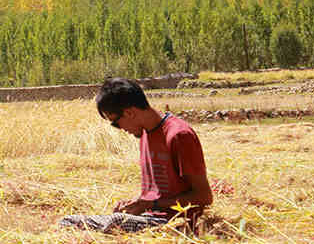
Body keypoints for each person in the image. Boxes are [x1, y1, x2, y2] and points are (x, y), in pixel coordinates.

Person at [58, 77, 212, 233]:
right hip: (147, 216)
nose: (119, 128)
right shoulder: (144, 134)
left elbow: (204, 197)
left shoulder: (179, 135)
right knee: (68, 221)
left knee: (116, 221)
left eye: (115, 122)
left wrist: (152, 204)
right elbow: (155, 193)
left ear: (129, 113)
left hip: (174, 221)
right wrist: (135, 203)